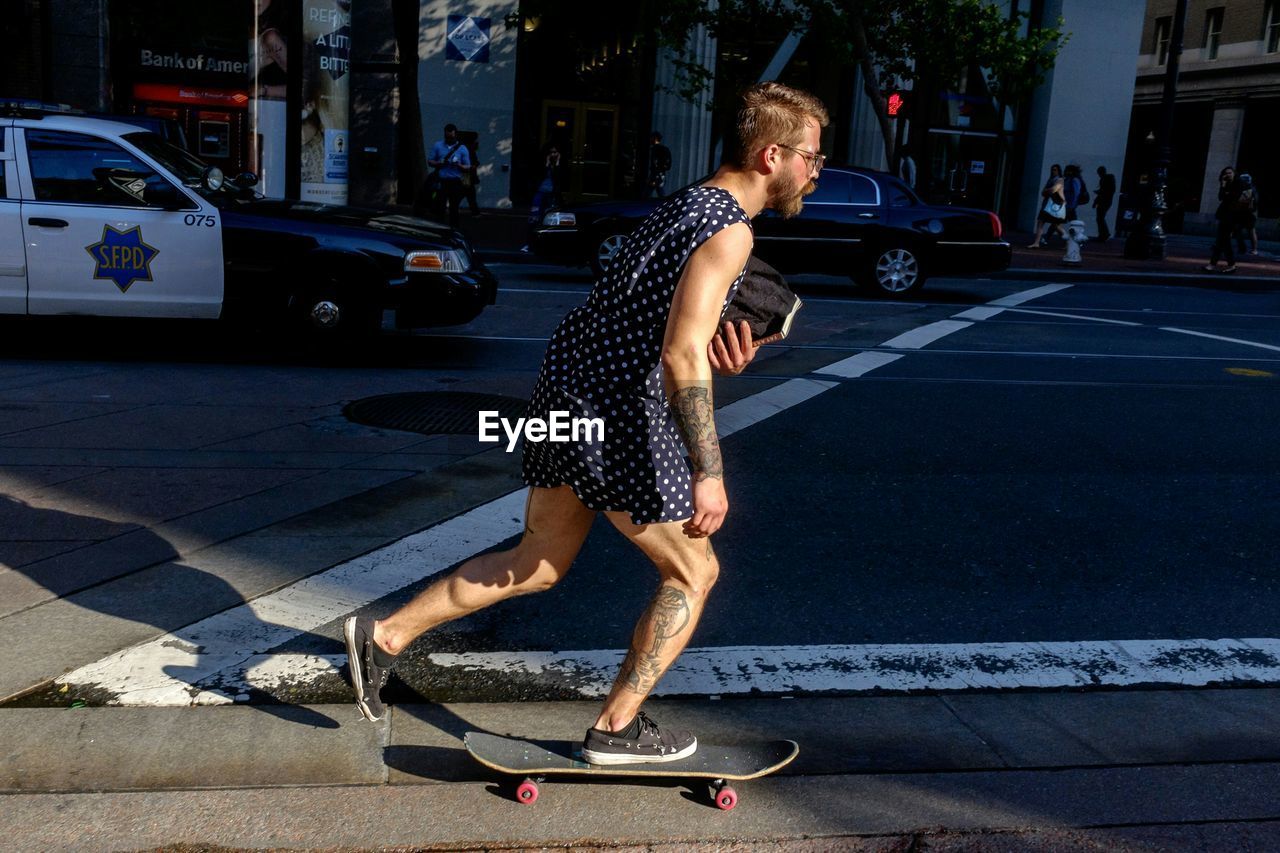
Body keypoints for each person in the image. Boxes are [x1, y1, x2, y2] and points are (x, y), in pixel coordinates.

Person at [343, 81, 830, 764]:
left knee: (537, 560)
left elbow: (660, 328)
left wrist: (719, 348)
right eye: (812, 155)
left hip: (565, 387)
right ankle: (617, 727)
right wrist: (708, 470)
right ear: (770, 154)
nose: (817, 167)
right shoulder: (729, 228)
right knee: (694, 571)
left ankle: (383, 635)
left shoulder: (684, 204)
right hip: (617, 411)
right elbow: (680, 350)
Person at [426, 124, 471, 229]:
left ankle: (454, 230)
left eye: (451, 137)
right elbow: (430, 161)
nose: (449, 139)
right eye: (447, 137)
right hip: (442, 181)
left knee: (454, 208)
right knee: (439, 207)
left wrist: (458, 165)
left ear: (455, 135)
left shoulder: (462, 149)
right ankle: (439, 228)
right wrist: (440, 163)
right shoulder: (438, 145)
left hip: (455, 182)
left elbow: (468, 167)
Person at [523, 144, 564, 252]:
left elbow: (559, 178)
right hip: (540, 193)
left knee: (550, 220)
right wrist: (546, 164)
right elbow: (538, 175)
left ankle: (547, 246)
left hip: (551, 195)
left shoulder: (560, 165)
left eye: (555, 152)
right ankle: (530, 244)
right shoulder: (542, 164)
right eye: (551, 152)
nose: (553, 155)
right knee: (534, 218)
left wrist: (558, 163)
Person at [1204, 166, 1241, 273]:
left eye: (1230, 173)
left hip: (1233, 216)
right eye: (1226, 173)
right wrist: (1223, 186)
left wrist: (1227, 194)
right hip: (1225, 215)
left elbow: (1233, 198)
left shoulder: (1238, 184)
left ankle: (1213, 264)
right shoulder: (1226, 184)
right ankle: (1230, 265)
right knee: (1224, 241)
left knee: (1221, 240)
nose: (1228, 175)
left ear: (1234, 173)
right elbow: (1221, 197)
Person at [1028, 164, 1067, 248]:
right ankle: (1036, 243)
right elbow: (1043, 192)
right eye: (1052, 169)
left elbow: (1053, 190)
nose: (1053, 171)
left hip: (1055, 206)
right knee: (1041, 222)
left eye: (1055, 169)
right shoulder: (1051, 180)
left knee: (1056, 226)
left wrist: (1047, 190)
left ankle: (1068, 241)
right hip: (1047, 205)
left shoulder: (1060, 180)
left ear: (1059, 171)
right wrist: (1048, 190)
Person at [1234, 173, 1259, 255]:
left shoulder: (1245, 188)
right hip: (1250, 213)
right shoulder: (1253, 188)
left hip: (1246, 213)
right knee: (1250, 231)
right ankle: (1252, 249)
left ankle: (1245, 248)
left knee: (1245, 230)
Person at [1093, 165, 1116, 241]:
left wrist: (1096, 200)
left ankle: (1104, 234)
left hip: (1104, 201)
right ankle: (1103, 234)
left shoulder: (1105, 179)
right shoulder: (1107, 179)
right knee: (1100, 218)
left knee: (1100, 218)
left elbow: (1106, 191)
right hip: (1105, 201)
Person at [647, 131, 673, 198]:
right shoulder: (663, 149)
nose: (650, 140)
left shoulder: (655, 149)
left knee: (650, 190)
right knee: (658, 190)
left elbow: (654, 162)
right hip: (660, 174)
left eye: (651, 138)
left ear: (655, 139)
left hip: (656, 174)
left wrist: (655, 174)